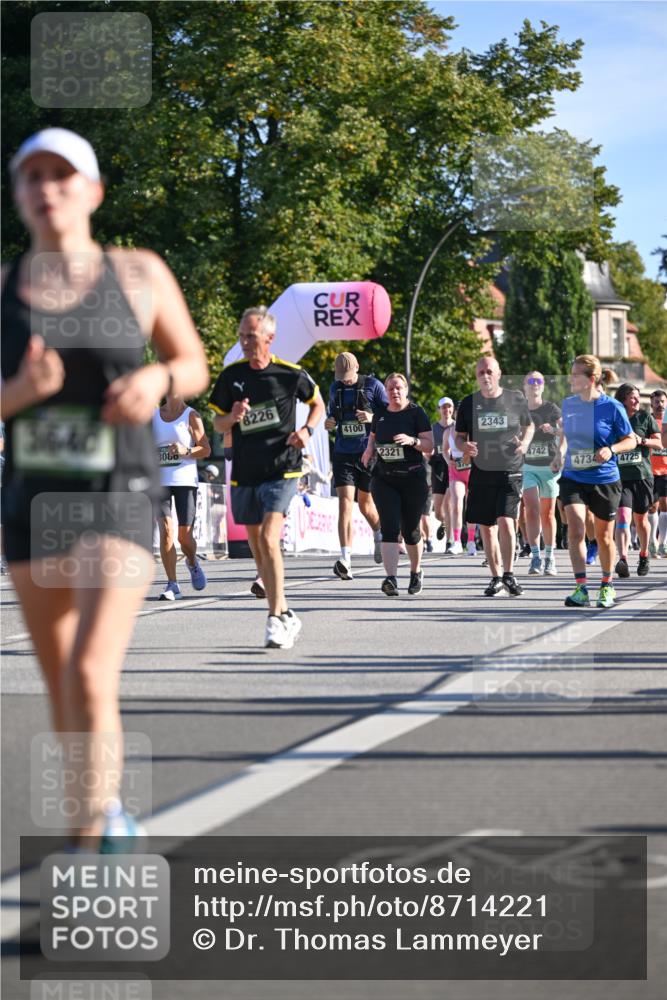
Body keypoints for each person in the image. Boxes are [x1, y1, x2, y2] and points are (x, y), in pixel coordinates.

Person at [0, 128, 209, 848]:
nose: (48, 188)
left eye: (63, 175)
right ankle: (104, 813)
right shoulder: (3, 287)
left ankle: (89, 846)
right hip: (30, 505)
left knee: (90, 672)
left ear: (92, 190)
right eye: (33, 177)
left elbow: (192, 364)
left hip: (117, 495)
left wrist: (156, 377)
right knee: (60, 683)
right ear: (19, 193)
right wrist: (18, 392)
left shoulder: (138, 273)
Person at [209, 306, 324, 648]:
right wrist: (232, 416)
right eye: (242, 335)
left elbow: (319, 404)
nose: (244, 342)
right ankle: (286, 611)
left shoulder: (290, 374)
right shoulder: (231, 376)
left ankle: (274, 620)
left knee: (270, 538)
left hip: (282, 467)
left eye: (251, 336)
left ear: (270, 338)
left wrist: (306, 430)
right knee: (257, 543)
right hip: (245, 470)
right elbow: (216, 424)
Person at [551, 355, 635, 608]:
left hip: (605, 479)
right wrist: (558, 454)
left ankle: (607, 585)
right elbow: (565, 435)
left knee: (604, 536)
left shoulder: (612, 407)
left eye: (576, 374)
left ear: (592, 379)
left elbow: (630, 439)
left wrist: (611, 449)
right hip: (573, 476)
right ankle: (581, 589)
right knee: (575, 528)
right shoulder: (569, 404)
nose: (571, 378)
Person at [454, 356, 534, 596]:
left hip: (510, 468)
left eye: (489, 371)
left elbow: (528, 426)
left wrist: (526, 444)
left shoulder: (515, 398)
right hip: (481, 471)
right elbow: (459, 436)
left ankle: (509, 574)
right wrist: (464, 446)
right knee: (487, 528)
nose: (485, 376)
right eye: (480, 373)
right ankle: (496, 577)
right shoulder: (468, 403)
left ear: (498, 373)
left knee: (506, 521)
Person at [361, 373, 433, 596]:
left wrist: (413, 441)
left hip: (413, 478)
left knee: (411, 531)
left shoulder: (416, 413)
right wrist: (369, 449)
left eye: (399, 388)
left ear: (406, 390)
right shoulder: (380, 414)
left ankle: (416, 571)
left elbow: (430, 446)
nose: (395, 392)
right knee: (389, 528)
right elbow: (373, 435)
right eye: (390, 388)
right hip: (385, 478)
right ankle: (390, 578)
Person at [325, 352, 386, 579]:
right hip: (343, 453)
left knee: (365, 504)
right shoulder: (335, 388)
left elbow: (390, 415)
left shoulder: (374, 386)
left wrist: (371, 418)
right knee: (344, 504)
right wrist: (329, 422)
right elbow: (332, 415)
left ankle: (379, 534)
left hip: (368, 452)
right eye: (342, 376)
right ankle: (345, 559)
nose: (346, 380)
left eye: (349, 376)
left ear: (358, 367)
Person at [153, 392, 210, 599]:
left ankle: (193, 562)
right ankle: (172, 584)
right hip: (159, 481)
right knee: (166, 531)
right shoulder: (153, 416)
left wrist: (185, 450)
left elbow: (205, 449)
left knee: (184, 537)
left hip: (185, 481)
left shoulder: (191, 415)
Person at [613, 384, 661, 577]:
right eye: (632, 397)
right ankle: (622, 558)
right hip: (620, 477)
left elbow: (658, 442)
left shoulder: (644, 417)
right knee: (623, 517)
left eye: (638, 397)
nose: (636, 400)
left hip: (642, 476)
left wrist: (641, 440)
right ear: (623, 398)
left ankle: (643, 554)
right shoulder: (615, 418)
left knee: (641, 520)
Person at [521, 371, 562, 576]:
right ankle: (535, 556)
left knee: (547, 513)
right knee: (531, 509)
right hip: (527, 466)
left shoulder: (551, 409)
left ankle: (550, 557)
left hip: (549, 467)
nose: (535, 384)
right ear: (525, 387)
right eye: (531, 381)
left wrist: (553, 429)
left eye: (538, 381)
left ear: (543, 386)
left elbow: (565, 431)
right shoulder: (519, 410)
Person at [442, 401, 477, 557]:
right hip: (455, 470)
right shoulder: (448, 432)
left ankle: (470, 541)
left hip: (471, 470)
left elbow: (476, 447)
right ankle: (456, 542)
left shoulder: (470, 431)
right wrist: (447, 459)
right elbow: (444, 449)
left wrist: (468, 456)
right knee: (456, 503)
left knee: (471, 506)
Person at [430, 396, 453, 549]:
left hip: (454, 466)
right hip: (438, 467)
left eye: (449, 407)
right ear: (439, 410)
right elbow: (428, 447)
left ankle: (450, 542)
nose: (446, 410)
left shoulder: (458, 427)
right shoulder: (433, 428)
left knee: (449, 505)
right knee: (438, 511)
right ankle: (444, 523)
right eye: (443, 407)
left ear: (453, 409)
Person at [648, 390, 667, 557]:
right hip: (650, 470)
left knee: (665, 504)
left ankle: (663, 543)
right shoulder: (648, 421)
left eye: (662, 401)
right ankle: (652, 541)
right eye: (656, 402)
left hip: (666, 469)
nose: (660, 405)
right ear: (651, 404)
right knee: (652, 507)